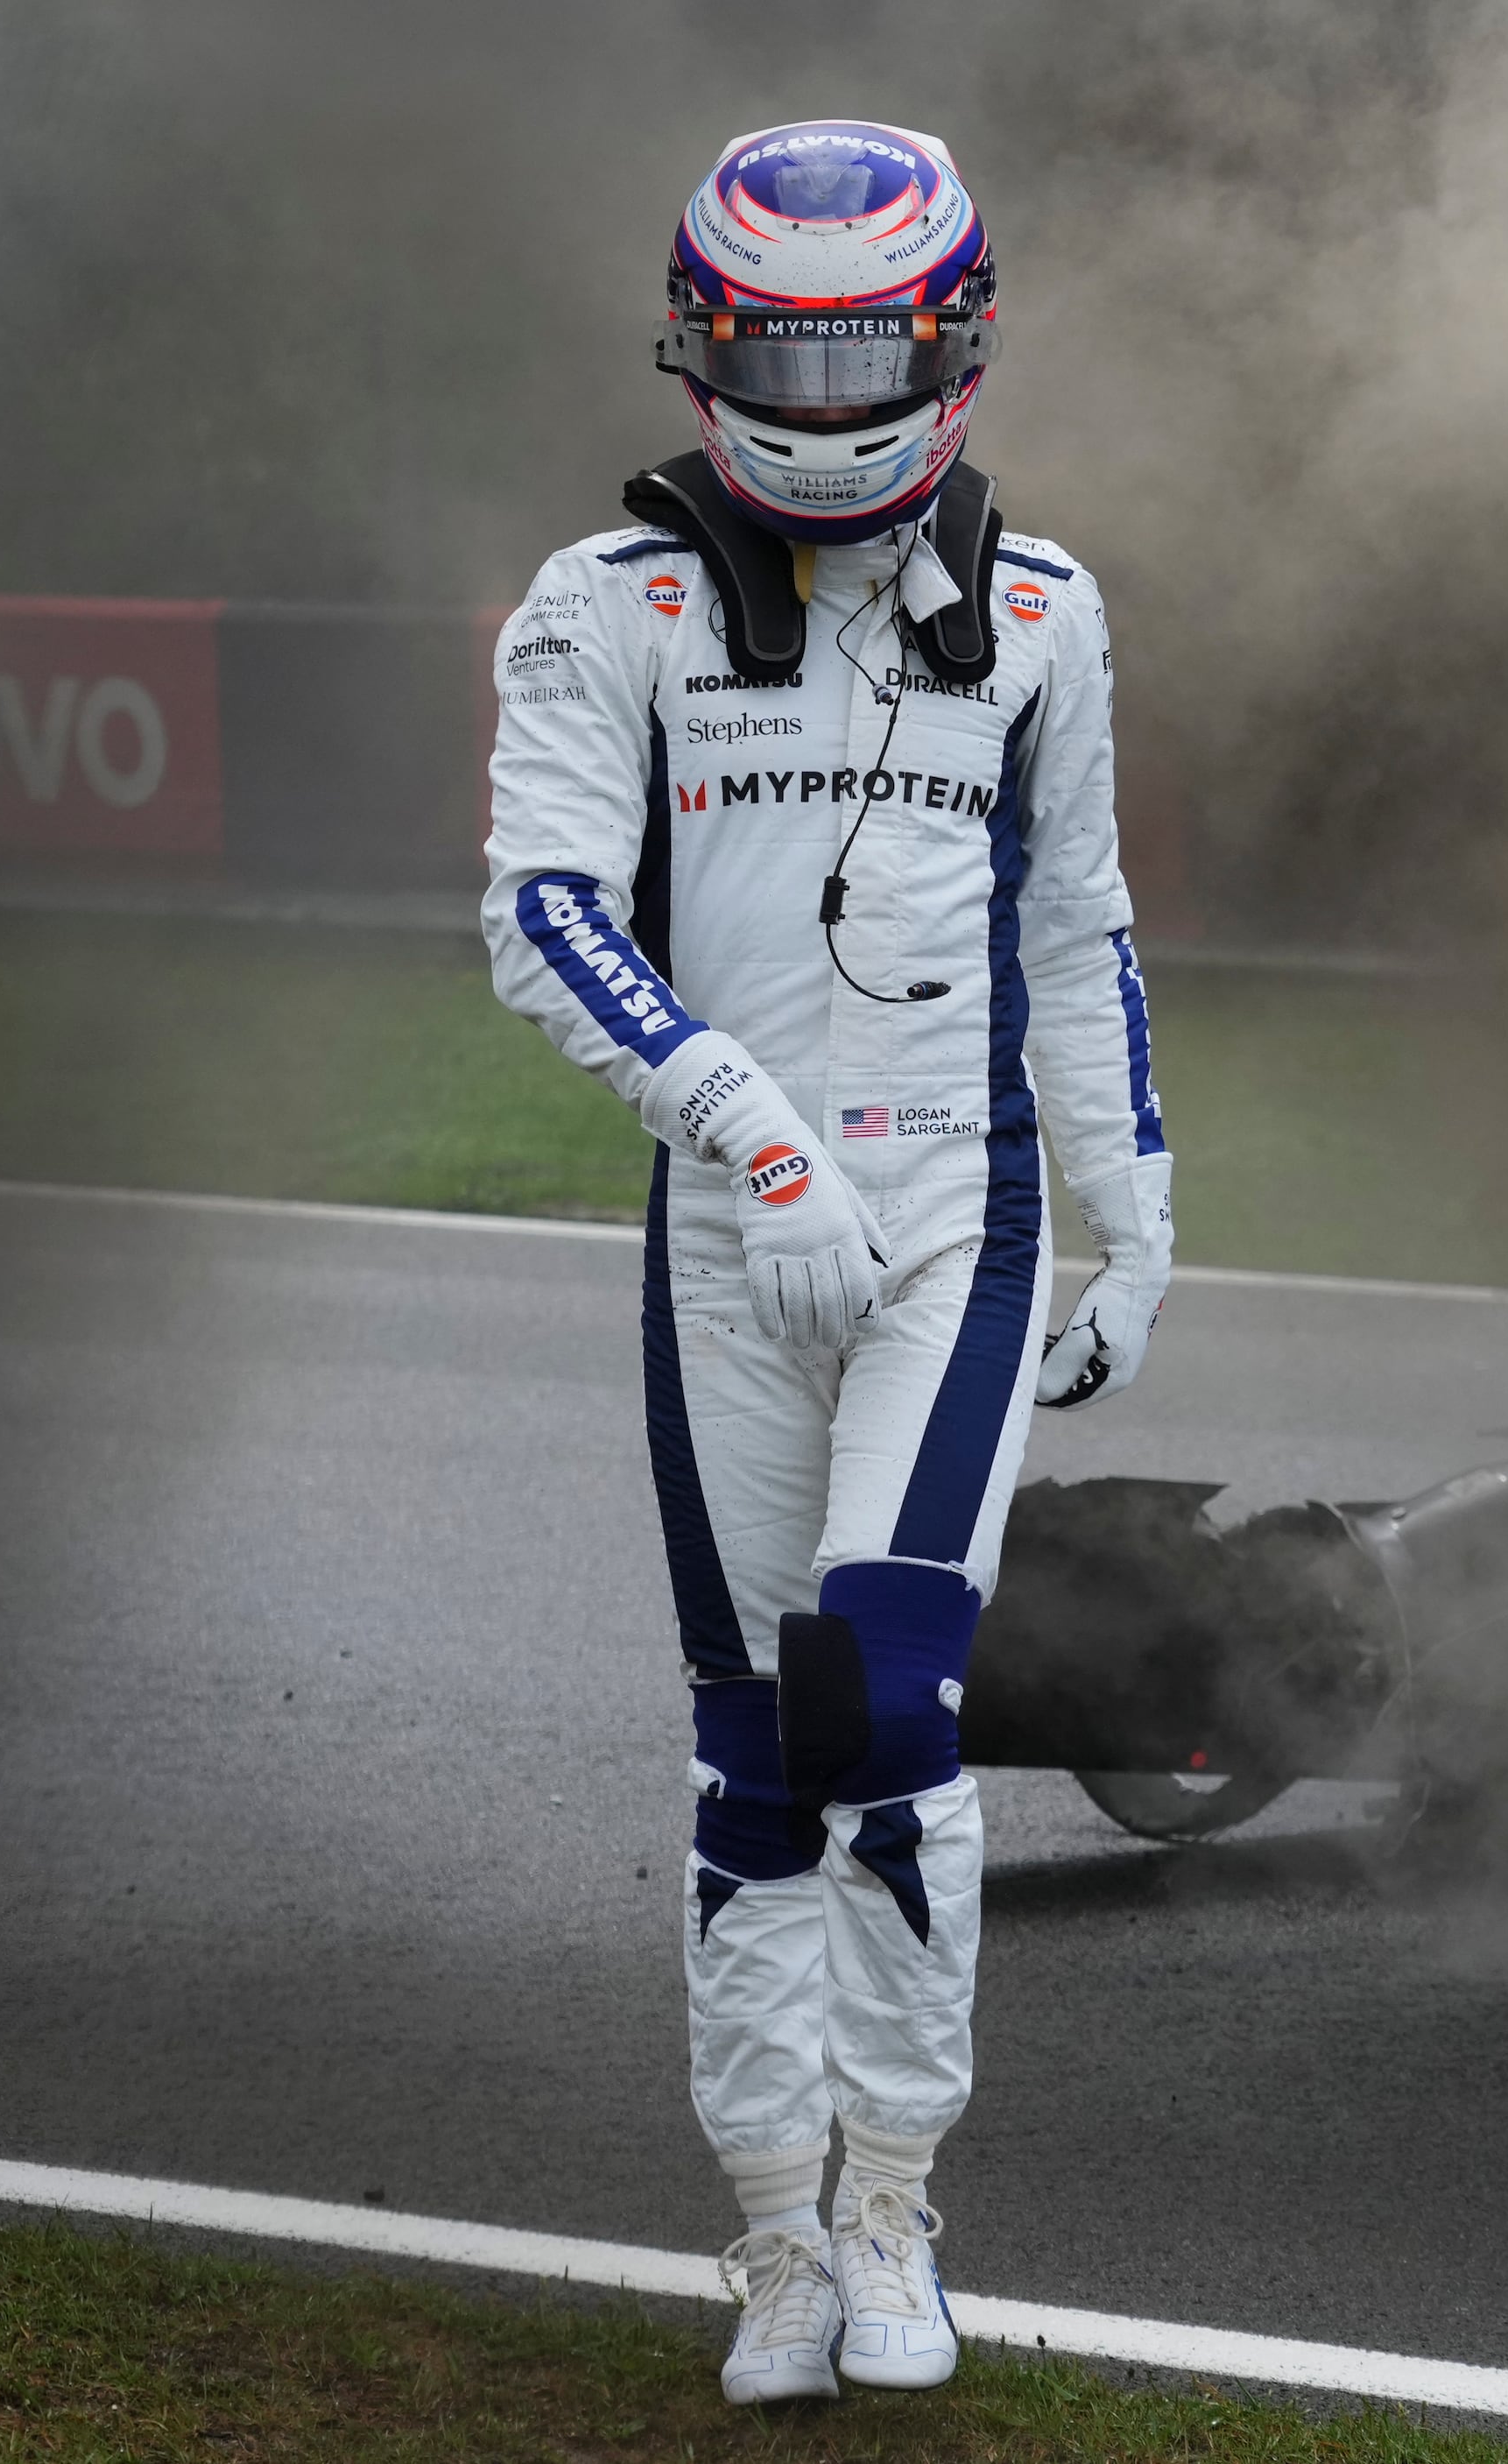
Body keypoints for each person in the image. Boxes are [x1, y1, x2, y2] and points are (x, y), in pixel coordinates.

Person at [483, 118, 1171, 2407]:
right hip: (729, 1240)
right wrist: (745, 1130)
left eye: (862, 340)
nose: (820, 385)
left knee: (888, 1692)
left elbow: (1080, 934)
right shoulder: (608, 606)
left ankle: (899, 2215)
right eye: (777, 344)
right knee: (754, 1756)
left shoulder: (1048, 615)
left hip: (952, 1230)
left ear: (950, 346)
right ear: (699, 348)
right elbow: (541, 917)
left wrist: (1131, 1192)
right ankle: (777, 2241)